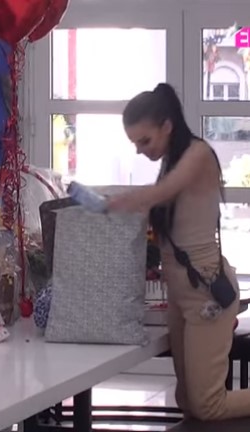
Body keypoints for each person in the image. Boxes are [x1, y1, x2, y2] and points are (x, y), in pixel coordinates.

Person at [107, 82, 250, 421]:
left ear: (167, 126)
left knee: (207, 405)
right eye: (134, 143)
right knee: (186, 400)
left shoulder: (197, 155)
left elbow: (160, 194)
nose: (140, 150)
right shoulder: (171, 161)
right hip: (180, 294)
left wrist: (112, 202)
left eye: (145, 140)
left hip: (205, 292)